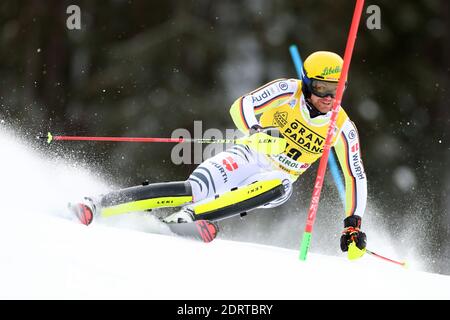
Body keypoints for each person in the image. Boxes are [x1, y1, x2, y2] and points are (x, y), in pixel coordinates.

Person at [70, 51, 367, 256]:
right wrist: (256, 129)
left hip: (273, 178)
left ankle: (192, 216)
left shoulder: (342, 126)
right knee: (194, 189)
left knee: (282, 184)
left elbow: (355, 175)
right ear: (306, 83)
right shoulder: (287, 91)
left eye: (336, 89)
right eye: (322, 88)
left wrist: (352, 224)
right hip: (247, 156)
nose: (329, 98)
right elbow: (241, 107)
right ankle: (98, 204)